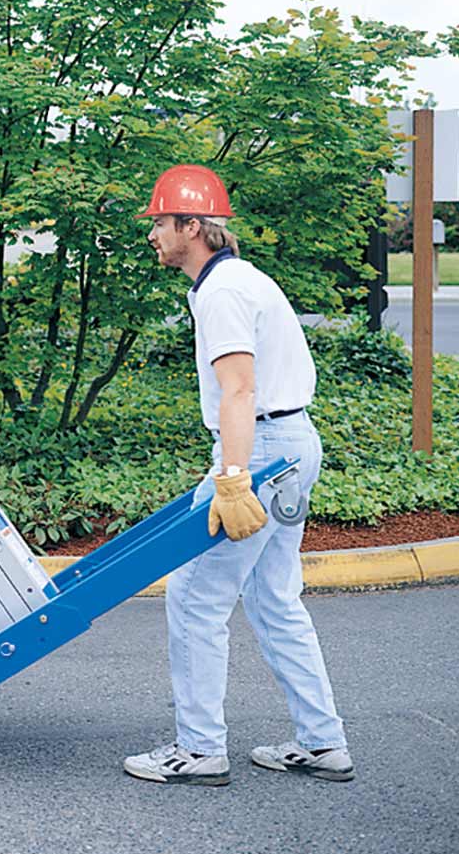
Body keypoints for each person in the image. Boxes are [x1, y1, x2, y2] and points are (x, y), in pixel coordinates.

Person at [122, 164, 354, 787]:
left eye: (161, 223)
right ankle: (322, 742)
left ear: (192, 226)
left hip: (261, 451)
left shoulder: (222, 292)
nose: (153, 235)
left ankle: (198, 751)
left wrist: (232, 479)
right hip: (293, 443)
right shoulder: (237, 280)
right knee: (275, 598)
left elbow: (239, 389)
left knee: (196, 596)